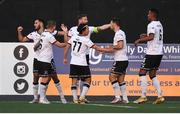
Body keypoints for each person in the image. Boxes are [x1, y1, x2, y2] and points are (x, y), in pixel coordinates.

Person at [64, 23, 111, 104]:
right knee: (88, 80)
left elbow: (67, 46)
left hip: (73, 62)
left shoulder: (74, 37)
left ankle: (75, 99)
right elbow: (96, 48)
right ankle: (82, 97)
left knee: (74, 81)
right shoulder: (86, 40)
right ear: (83, 31)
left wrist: (64, 57)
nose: (88, 30)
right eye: (87, 29)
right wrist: (107, 50)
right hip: (82, 63)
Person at [133, 8, 165, 104]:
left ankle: (143, 96)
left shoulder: (151, 24)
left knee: (142, 72)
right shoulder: (159, 24)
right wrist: (145, 36)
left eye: (148, 14)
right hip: (159, 53)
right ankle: (160, 96)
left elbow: (151, 37)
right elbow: (153, 36)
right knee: (152, 75)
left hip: (152, 53)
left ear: (152, 14)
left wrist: (139, 40)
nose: (147, 15)